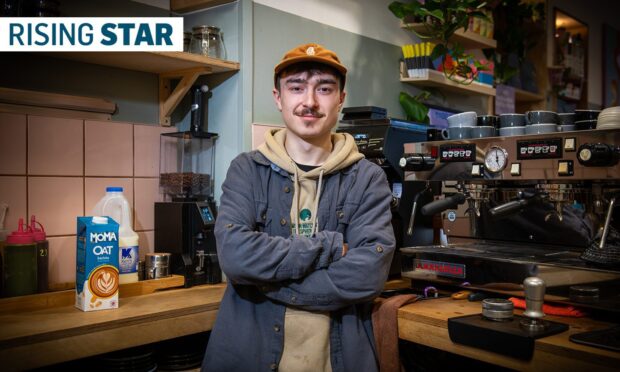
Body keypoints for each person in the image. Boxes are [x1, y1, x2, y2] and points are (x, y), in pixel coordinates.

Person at [202, 43, 396, 372]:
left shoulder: (367, 178)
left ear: (341, 99)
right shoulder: (246, 170)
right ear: (278, 98)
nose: (309, 101)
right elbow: (235, 256)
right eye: (296, 88)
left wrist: (265, 283)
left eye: (324, 88)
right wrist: (331, 246)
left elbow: (367, 275)